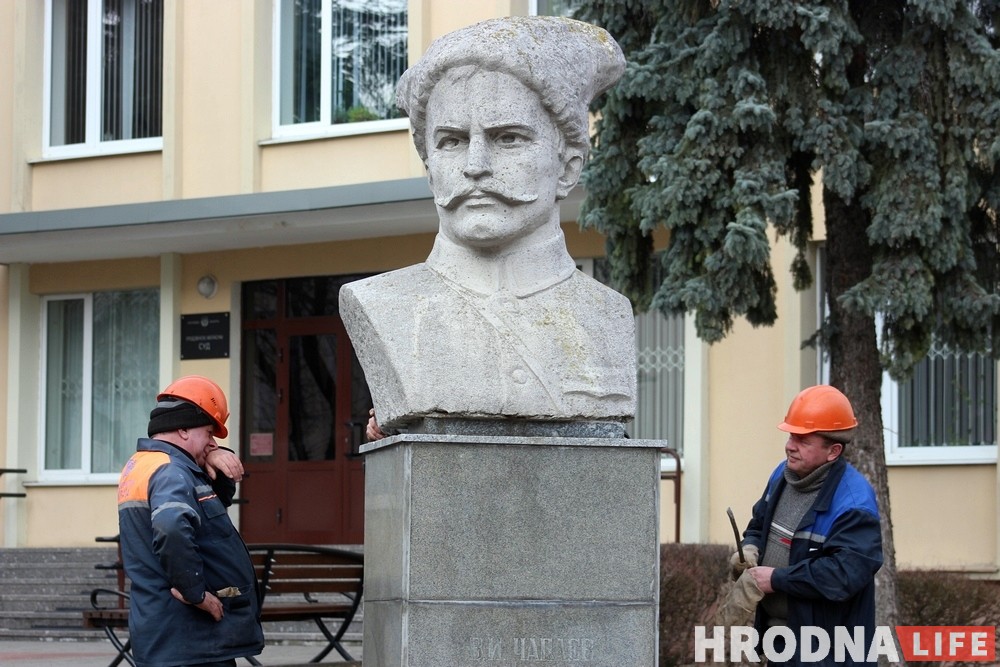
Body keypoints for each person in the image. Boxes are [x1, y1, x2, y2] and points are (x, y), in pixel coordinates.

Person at [339, 16, 636, 432]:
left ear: (567, 168)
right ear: (430, 171)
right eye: (452, 142)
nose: (475, 167)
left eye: (508, 138)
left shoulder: (608, 315)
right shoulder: (383, 303)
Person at [118, 375, 264, 667]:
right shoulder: (172, 471)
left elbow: (205, 516)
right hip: (190, 640)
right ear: (183, 429)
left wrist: (217, 462)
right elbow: (172, 528)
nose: (212, 444)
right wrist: (196, 594)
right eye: (209, 433)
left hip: (166, 635)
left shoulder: (143, 465)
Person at [731, 385, 883, 665]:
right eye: (791, 435)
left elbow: (841, 576)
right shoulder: (783, 474)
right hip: (782, 642)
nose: (790, 445)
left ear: (833, 451)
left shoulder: (854, 503)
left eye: (803, 439)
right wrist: (749, 548)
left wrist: (775, 579)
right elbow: (759, 524)